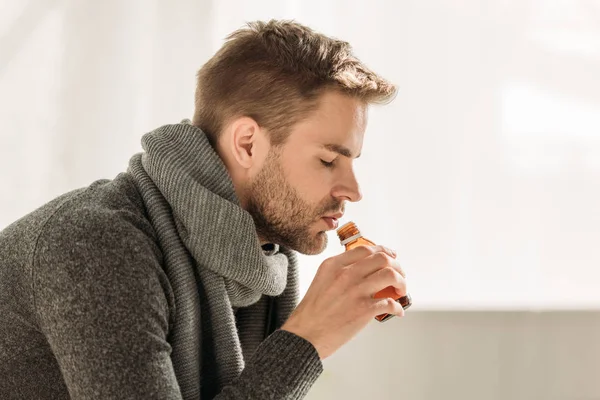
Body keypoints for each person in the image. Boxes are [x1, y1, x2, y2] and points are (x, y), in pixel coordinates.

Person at [0, 19, 408, 399]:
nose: (353, 191)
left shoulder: (261, 256)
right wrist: (307, 340)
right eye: (327, 160)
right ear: (248, 143)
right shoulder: (96, 245)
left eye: (353, 162)